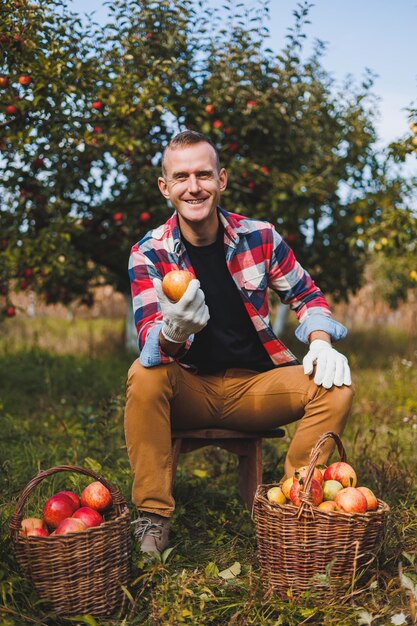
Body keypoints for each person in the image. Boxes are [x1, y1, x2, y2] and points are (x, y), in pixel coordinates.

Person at [125, 130, 354, 555]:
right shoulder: (149, 253)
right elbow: (149, 344)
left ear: (222, 179)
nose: (193, 187)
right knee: (144, 375)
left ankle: (297, 505)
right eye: (181, 177)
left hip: (255, 388)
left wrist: (320, 342)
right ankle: (153, 518)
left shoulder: (260, 237)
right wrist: (173, 332)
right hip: (189, 388)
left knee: (335, 385)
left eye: (203, 174)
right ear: (165, 188)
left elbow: (306, 296)